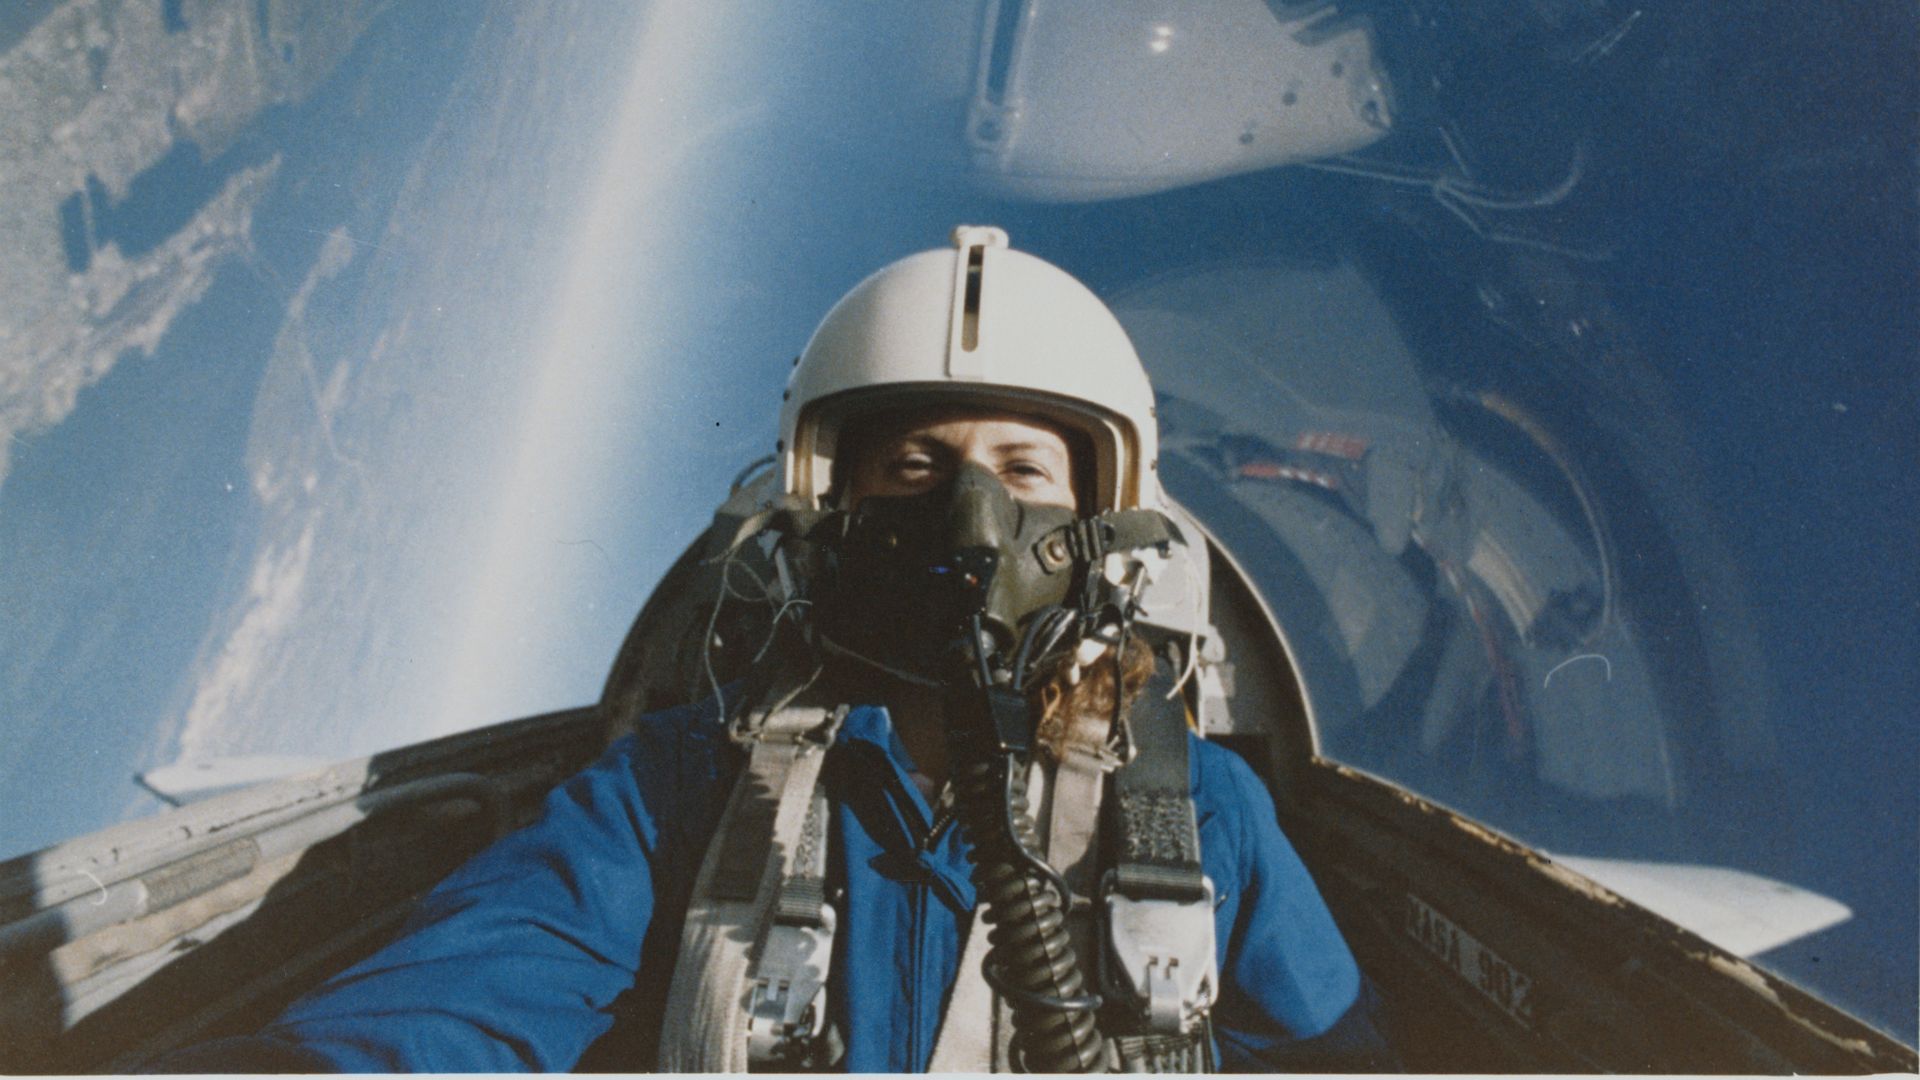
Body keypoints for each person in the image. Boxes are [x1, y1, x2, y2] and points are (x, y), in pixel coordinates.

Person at [153, 227, 1392, 1073]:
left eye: (1024, 470)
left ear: (1107, 528)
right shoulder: (680, 790)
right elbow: (456, 1002)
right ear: (827, 516)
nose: (972, 515)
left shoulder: (1200, 819)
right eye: (915, 468)